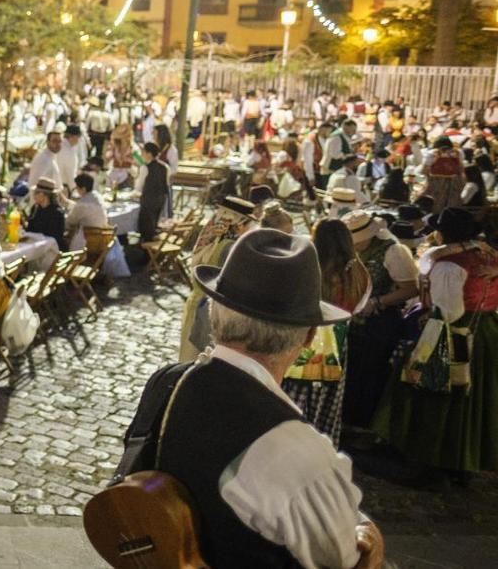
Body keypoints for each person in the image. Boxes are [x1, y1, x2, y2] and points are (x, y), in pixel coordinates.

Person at [133, 228, 381, 568]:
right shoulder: (297, 451)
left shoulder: (165, 381)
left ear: (213, 313)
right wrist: (370, 538)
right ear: (309, 336)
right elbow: (342, 559)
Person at [374, 207, 498, 479]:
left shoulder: (447, 265)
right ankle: (464, 460)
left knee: (433, 391)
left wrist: (428, 313)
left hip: (452, 333)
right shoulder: (487, 253)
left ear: (442, 232)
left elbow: (449, 311)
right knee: (472, 399)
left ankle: (430, 458)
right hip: (486, 331)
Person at [281, 219, 370, 448]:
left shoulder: (311, 269)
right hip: (337, 344)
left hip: (306, 337)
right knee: (326, 398)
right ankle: (318, 444)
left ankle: (288, 441)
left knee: (295, 394)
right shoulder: (360, 273)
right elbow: (358, 308)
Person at [340, 211, 419, 432]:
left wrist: (378, 301)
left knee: (371, 373)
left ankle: (364, 427)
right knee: (353, 371)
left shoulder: (394, 251)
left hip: (380, 322)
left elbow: (411, 288)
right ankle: (348, 421)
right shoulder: (353, 251)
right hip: (352, 321)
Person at [179, 196, 257, 361]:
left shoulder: (217, 240)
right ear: (238, 224)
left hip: (197, 304)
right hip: (211, 314)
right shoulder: (229, 248)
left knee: (190, 357)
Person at [135, 142, 170, 242]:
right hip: (160, 200)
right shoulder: (165, 167)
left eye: (143, 152)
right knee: (153, 225)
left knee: (146, 228)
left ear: (149, 154)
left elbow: (138, 187)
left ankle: (145, 251)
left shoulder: (145, 168)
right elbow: (166, 184)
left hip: (148, 202)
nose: (142, 155)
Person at [66, 173, 108, 251]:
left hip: (87, 241)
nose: (77, 191)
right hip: (101, 239)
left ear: (83, 189)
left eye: (77, 188)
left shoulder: (82, 203)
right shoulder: (98, 196)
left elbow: (70, 221)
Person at [423, 136, 464, 213]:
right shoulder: (458, 152)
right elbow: (461, 168)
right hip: (454, 182)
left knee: (437, 205)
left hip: (437, 182)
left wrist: (428, 182)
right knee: (453, 206)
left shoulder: (432, 153)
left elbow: (425, 170)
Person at [26, 177, 67, 251]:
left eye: (35, 193)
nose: (33, 196)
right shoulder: (35, 208)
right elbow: (30, 229)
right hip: (35, 246)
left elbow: (54, 237)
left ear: (43, 194)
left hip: (52, 250)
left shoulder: (56, 213)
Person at [28, 127, 63, 191]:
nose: (58, 144)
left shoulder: (53, 156)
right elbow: (35, 184)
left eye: (60, 141)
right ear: (47, 142)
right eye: (54, 141)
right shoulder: (43, 159)